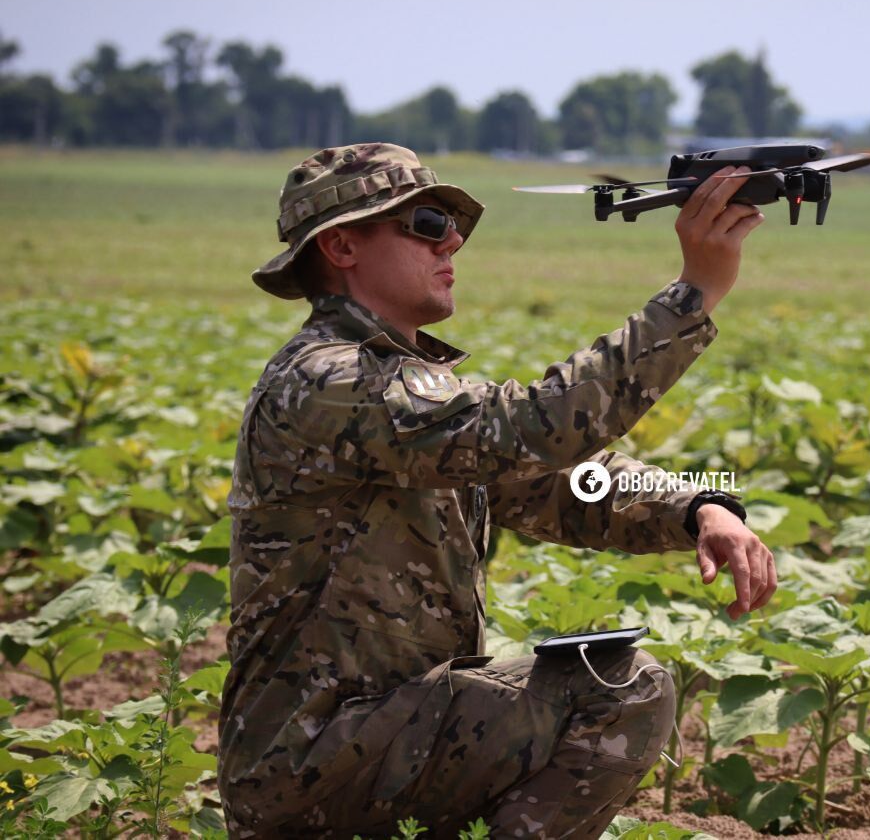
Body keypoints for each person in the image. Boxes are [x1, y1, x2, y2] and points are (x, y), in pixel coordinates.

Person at [217, 142, 777, 838]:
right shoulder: (328, 382)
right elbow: (535, 427)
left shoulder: (392, 388)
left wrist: (697, 506)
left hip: (383, 741)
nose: (452, 239)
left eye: (454, 224)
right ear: (341, 246)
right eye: (424, 223)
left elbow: (553, 481)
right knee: (620, 687)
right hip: (316, 760)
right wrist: (693, 293)